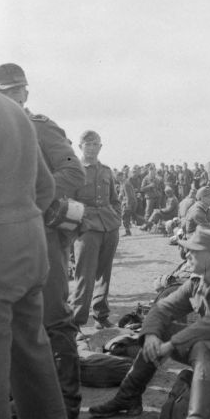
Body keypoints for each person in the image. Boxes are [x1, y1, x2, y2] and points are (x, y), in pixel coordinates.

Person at [88, 227, 210, 419]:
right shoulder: (199, 280)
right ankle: (128, 396)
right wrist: (153, 335)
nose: (187, 255)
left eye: (194, 251)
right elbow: (162, 308)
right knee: (164, 331)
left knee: (202, 348)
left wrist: (172, 344)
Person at [0, 62, 85, 419]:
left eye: (16, 91)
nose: (11, 97)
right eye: (5, 90)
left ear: (25, 92)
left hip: (39, 233)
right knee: (19, 330)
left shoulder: (39, 127)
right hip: (21, 232)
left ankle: (69, 403)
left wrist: (22, 199)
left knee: (54, 319)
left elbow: (73, 171)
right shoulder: (5, 118)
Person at [70, 130, 122, 331]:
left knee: (104, 273)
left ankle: (101, 315)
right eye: (87, 144)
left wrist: (116, 217)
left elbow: (115, 200)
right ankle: (77, 320)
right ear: (80, 146)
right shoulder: (74, 170)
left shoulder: (107, 170)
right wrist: (79, 224)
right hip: (87, 227)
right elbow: (68, 201)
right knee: (85, 274)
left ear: (100, 147)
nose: (91, 148)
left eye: (95, 144)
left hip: (109, 226)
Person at [118, 172, 137, 237]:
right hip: (126, 203)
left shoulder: (126, 184)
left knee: (125, 217)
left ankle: (128, 232)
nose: (117, 178)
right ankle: (128, 231)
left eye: (118, 177)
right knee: (128, 217)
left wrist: (128, 205)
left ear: (121, 176)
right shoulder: (122, 183)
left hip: (128, 203)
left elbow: (129, 195)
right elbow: (121, 194)